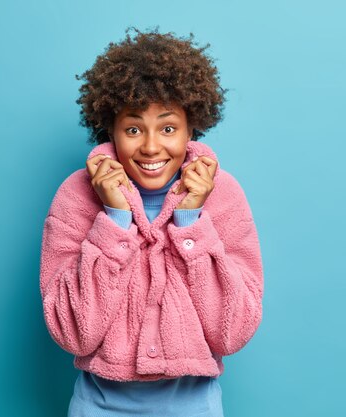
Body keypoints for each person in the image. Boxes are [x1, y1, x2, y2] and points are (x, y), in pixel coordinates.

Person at [39, 26, 264, 417]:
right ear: (109, 128)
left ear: (192, 127)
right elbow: (73, 333)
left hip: (195, 407)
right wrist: (114, 219)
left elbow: (232, 331)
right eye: (132, 129)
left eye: (168, 127)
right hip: (98, 406)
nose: (150, 146)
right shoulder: (76, 195)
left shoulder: (224, 195)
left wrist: (191, 221)